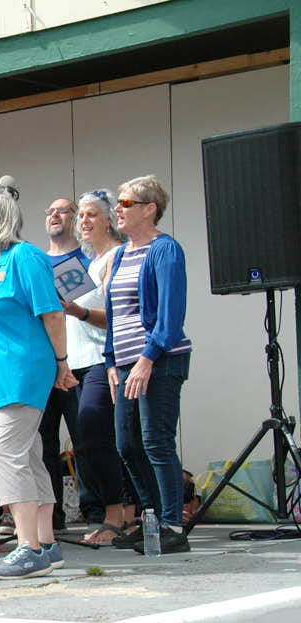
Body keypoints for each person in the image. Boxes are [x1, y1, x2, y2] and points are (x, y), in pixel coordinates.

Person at [0, 190, 77, 579]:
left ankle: (27, 546)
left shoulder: (24, 257)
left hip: (22, 371)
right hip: (5, 378)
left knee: (7, 453)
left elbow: (53, 314)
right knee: (27, 454)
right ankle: (45, 543)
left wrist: (62, 363)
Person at [105, 175, 192, 555]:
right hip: (125, 363)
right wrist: (111, 359)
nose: (118, 210)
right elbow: (114, 312)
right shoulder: (122, 254)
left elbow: (170, 318)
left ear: (149, 209)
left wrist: (146, 360)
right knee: (127, 445)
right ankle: (152, 520)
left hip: (158, 361)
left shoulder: (165, 250)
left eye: (125, 203)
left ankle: (173, 525)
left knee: (156, 441)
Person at [64, 190, 139, 545]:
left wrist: (76, 310)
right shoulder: (85, 264)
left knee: (96, 432)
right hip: (76, 362)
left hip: (102, 359)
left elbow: (114, 317)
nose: (84, 220)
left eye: (92, 214)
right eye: (81, 215)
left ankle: (116, 512)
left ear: (109, 219)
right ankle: (124, 513)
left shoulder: (115, 257)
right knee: (91, 440)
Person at [41, 197, 84, 534]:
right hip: (45, 362)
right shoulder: (37, 263)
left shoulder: (89, 258)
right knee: (44, 441)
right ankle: (51, 515)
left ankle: (99, 508)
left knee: (86, 435)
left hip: (82, 361)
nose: (54, 215)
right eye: (49, 211)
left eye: (62, 210)